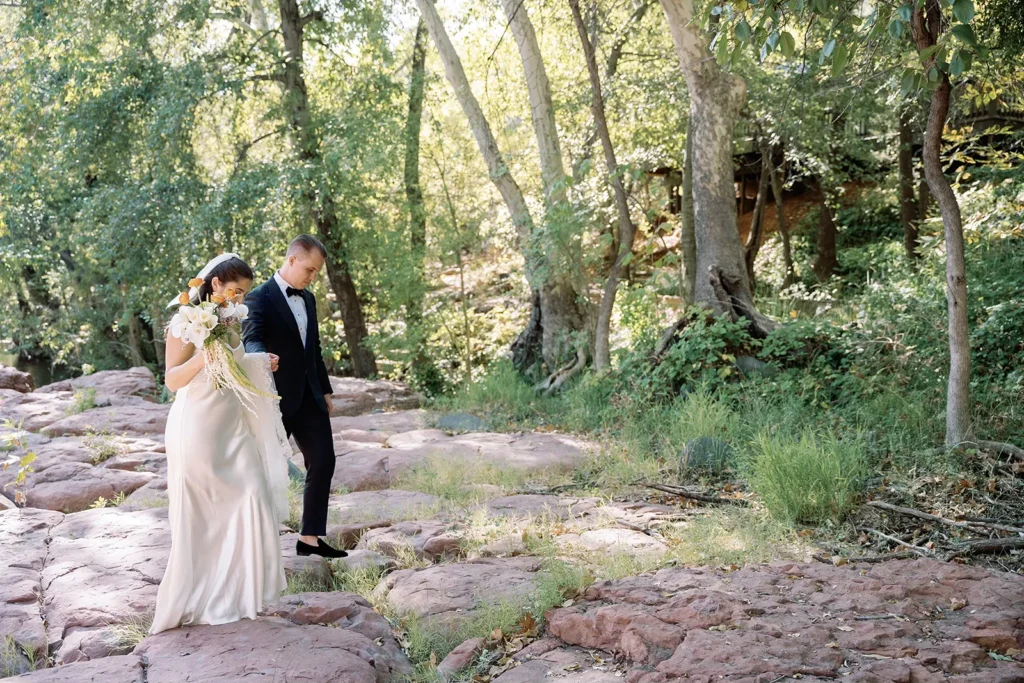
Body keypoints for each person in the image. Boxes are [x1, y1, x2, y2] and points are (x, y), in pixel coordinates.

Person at [151, 254, 286, 634]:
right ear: (214, 285)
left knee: (253, 495)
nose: (238, 298)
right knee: (203, 517)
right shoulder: (183, 322)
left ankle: (237, 597)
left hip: (231, 425)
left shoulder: (231, 319)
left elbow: (233, 365)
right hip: (197, 427)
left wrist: (259, 361)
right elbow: (173, 380)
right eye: (234, 290)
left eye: (242, 293)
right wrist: (203, 355)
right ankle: (202, 600)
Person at [243, 235, 346, 559]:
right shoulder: (258, 297)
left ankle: (310, 539)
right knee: (263, 470)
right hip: (274, 396)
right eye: (309, 269)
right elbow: (252, 339)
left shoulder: (310, 300)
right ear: (291, 260)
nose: (312, 276)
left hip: (310, 397)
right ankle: (252, 542)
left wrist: (325, 389)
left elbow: (312, 349)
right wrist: (263, 359)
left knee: (324, 460)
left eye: (316, 272)